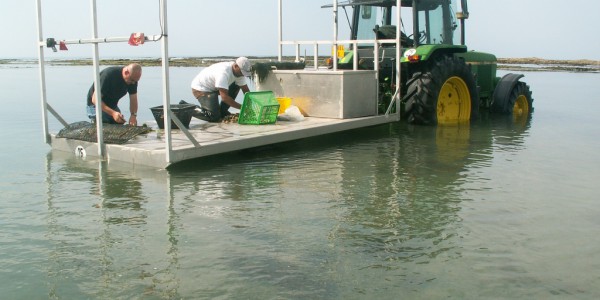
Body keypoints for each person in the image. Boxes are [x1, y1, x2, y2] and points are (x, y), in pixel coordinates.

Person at [188, 57, 252, 122]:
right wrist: (243, 108)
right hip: (201, 88)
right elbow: (224, 97)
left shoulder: (239, 73)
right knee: (213, 116)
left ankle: (222, 111)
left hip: (215, 86)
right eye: (242, 72)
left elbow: (246, 91)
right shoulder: (223, 73)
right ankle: (187, 108)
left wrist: (252, 105)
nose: (242, 75)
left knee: (237, 85)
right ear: (235, 66)